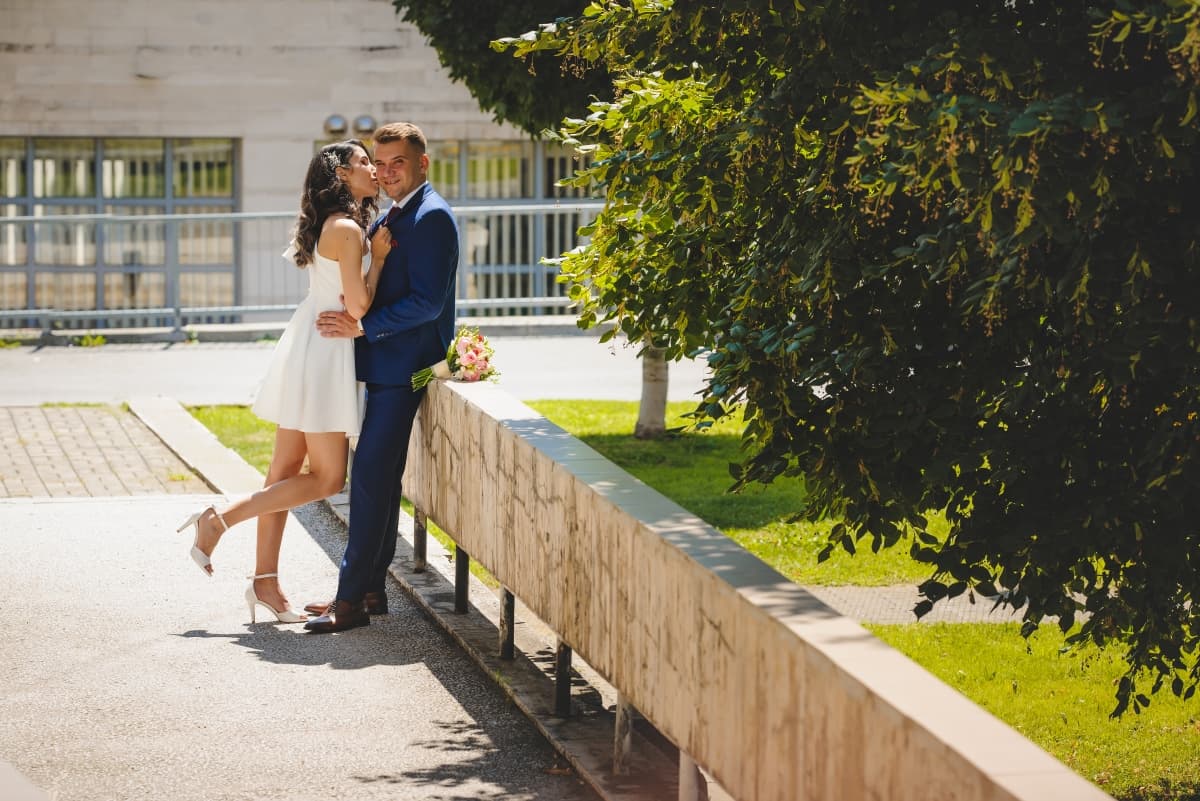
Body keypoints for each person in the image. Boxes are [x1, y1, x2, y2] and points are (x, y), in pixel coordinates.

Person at [176, 139, 390, 623]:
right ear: (340, 176)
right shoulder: (349, 229)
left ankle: (265, 583)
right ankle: (220, 520)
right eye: (363, 163)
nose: (373, 169)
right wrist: (377, 260)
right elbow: (357, 307)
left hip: (308, 343)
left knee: (282, 473)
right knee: (328, 477)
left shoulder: (328, 224)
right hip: (327, 348)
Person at [302, 121, 459, 634]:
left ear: (422, 164)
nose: (387, 172)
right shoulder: (397, 212)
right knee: (380, 480)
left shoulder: (432, 216)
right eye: (380, 162)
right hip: (385, 364)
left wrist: (362, 324)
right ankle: (369, 590)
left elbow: (427, 303)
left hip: (405, 368)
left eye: (397, 163)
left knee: (369, 479)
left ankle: (347, 603)